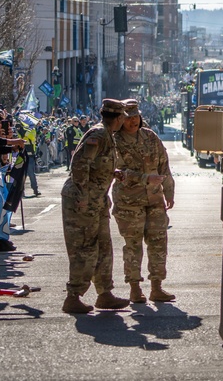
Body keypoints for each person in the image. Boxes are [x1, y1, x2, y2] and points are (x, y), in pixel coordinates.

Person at [60, 99, 132, 314]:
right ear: (118, 118)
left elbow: (97, 165)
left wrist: (112, 174)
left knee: (103, 246)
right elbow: (79, 165)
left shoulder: (107, 135)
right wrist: (83, 194)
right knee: (85, 247)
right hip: (84, 200)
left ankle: (104, 293)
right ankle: (73, 296)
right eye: (123, 118)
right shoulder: (98, 135)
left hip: (96, 200)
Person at [112, 100, 176, 304]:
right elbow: (117, 172)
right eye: (128, 118)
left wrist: (169, 191)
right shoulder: (115, 142)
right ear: (121, 120)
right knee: (133, 246)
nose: (133, 121)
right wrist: (143, 179)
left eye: (136, 117)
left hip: (155, 199)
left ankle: (157, 287)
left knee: (158, 243)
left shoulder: (150, 137)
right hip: (129, 202)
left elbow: (164, 165)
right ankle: (134, 288)